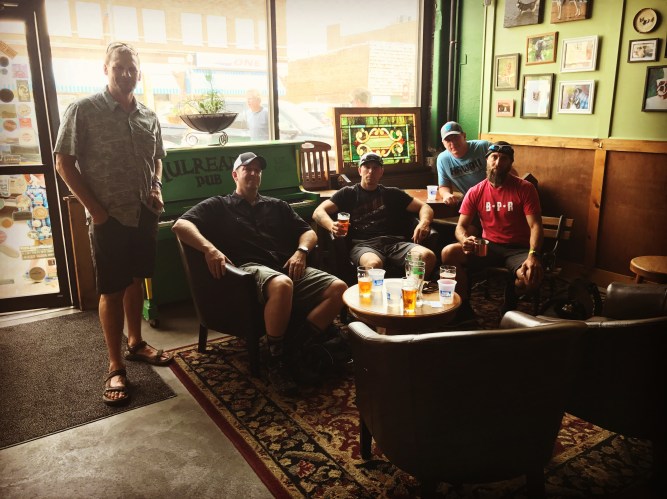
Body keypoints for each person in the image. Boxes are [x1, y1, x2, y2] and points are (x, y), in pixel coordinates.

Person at [54, 42, 172, 407]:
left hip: (144, 213)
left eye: (131, 68)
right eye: (118, 67)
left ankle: (135, 343)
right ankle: (115, 365)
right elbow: (63, 163)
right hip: (110, 217)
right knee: (111, 290)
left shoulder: (148, 115)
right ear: (105, 69)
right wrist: (96, 211)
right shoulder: (83, 110)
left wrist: (156, 186)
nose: (125, 73)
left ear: (139, 73)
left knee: (136, 279)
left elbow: (157, 158)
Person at [172, 152, 347, 396]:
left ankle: (296, 346)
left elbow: (308, 232)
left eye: (257, 170)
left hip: (285, 265)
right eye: (247, 169)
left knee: (339, 289)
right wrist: (210, 249)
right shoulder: (219, 205)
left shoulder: (277, 206)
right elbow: (180, 225)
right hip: (247, 271)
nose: (253, 173)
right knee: (282, 284)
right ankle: (276, 360)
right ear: (235, 175)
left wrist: (301, 252)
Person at [440, 141, 544, 321]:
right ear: (486, 160)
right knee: (449, 252)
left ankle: (510, 298)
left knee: (530, 279)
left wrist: (533, 255)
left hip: (518, 249)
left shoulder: (525, 188)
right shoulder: (475, 191)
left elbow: (536, 226)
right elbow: (461, 226)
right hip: (488, 247)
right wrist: (464, 240)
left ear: (510, 163)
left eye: (504, 159)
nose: (498, 163)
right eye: (494, 157)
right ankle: (464, 307)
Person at [312, 152, 436, 277]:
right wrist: (331, 226)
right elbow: (318, 212)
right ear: (360, 170)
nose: (371, 171)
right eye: (367, 167)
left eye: (375, 168)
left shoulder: (392, 193)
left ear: (381, 172)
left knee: (427, 256)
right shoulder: (347, 193)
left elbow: (425, 207)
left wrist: (424, 223)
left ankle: (412, 286)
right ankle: (375, 290)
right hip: (363, 245)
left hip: (395, 243)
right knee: (373, 265)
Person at [436, 121, 491, 207]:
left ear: (464, 136)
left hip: (494, 199)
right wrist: (446, 194)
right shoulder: (442, 159)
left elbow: (508, 170)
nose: (453, 143)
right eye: (448, 140)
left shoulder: (484, 147)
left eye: (456, 138)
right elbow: (443, 186)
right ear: (443, 143)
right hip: (472, 203)